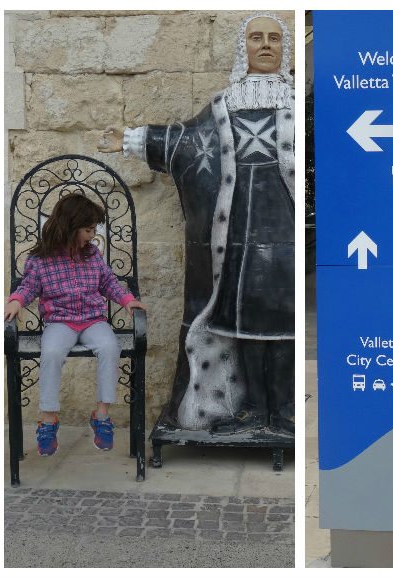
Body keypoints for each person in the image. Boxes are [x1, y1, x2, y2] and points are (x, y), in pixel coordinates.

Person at [97, 13, 294, 436]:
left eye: (274, 39)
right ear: (244, 49)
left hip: (287, 239)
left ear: (285, 47)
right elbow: (187, 141)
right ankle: (256, 411)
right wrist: (133, 138)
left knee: (283, 325)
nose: (265, 46)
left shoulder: (294, 104)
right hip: (236, 241)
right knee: (244, 327)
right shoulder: (224, 107)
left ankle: (286, 412)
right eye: (256, 38)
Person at [4, 194, 146, 456]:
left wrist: (127, 300)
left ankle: (102, 415)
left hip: (93, 320)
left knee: (110, 347)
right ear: (70, 227)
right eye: (88, 230)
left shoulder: (92, 254)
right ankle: (49, 419)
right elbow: (28, 287)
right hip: (60, 322)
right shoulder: (40, 259)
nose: (92, 235)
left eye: (94, 230)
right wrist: (15, 301)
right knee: (52, 353)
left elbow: (108, 282)